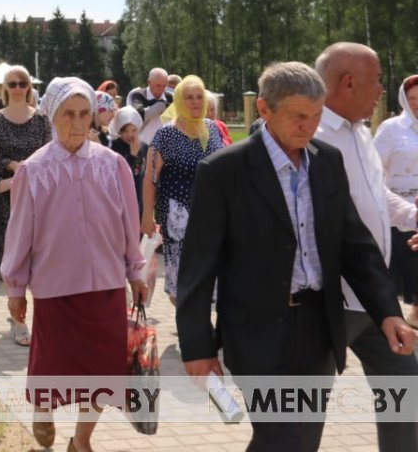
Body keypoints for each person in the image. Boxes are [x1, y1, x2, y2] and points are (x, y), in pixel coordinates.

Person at [177, 61, 415, 452]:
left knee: (301, 439)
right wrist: (197, 348)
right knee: (282, 438)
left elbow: (355, 246)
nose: (308, 126)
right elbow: (197, 270)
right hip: (257, 335)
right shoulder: (224, 172)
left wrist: (387, 310)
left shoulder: (326, 162)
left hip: (318, 329)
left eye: (316, 116)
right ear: (266, 110)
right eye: (299, 116)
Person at [1, 77, 146, 452]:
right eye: (69, 114)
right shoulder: (33, 171)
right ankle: (44, 409)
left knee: (103, 370)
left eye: (85, 114)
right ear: (52, 115)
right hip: (55, 288)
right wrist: (15, 288)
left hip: (106, 285)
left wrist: (136, 271)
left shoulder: (113, 165)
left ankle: (82, 439)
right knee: (53, 364)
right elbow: (19, 234)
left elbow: (129, 225)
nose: (78, 123)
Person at [314, 43, 418, 452]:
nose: (381, 90)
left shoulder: (360, 133)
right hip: (326, 301)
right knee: (301, 412)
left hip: (374, 298)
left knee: (404, 385)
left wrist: (413, 214)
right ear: (348, 82)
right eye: (376, 81)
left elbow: (377, 197)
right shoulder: (313, 135)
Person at [140, 74, 223, 303]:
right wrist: (148, 215)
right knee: (182, 278)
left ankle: (201, 324)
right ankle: (187, 321)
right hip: (178, 216)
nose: (195, 102)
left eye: (199, 97)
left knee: (209, 274)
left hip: (211, 214)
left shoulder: (212, 129)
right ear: (178, 100)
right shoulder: (165, 134)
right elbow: (150, 178)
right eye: (189, 97)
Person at [0, 65, 51, 346]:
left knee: (41, 259)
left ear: (29, 87)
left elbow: (50, 150)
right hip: (6, 197)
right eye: (12, 83)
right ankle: (19, 321)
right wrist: (17, 167)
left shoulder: (42, 120)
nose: (17, 87)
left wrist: (31, 169)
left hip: (39, 197)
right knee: (12, 260)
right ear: (5, 87)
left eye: (22, 83)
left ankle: (41, 318)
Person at [376, 74, 418, 328]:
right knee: (404, 265)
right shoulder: (391, 129)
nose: (416, 103)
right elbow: (374, 169)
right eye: (412, 98)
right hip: (398, 209)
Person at [109, 106, 147, 219]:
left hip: (139, 200)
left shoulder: (144, 147)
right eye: (125, 131)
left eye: (133, 130)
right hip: (121, 201)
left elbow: (147, 175)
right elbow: (118, 174)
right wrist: (132, 155)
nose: (130, 135)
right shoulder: (113, 147)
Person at [126, 67, 172, 145]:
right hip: (143, 145)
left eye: (164, 86)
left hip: (165, 145)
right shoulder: (138, 95)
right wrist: (162, 106)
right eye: (158, 86)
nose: (161, 89)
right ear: (149, 82)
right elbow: (140, 115)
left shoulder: (169, 97)